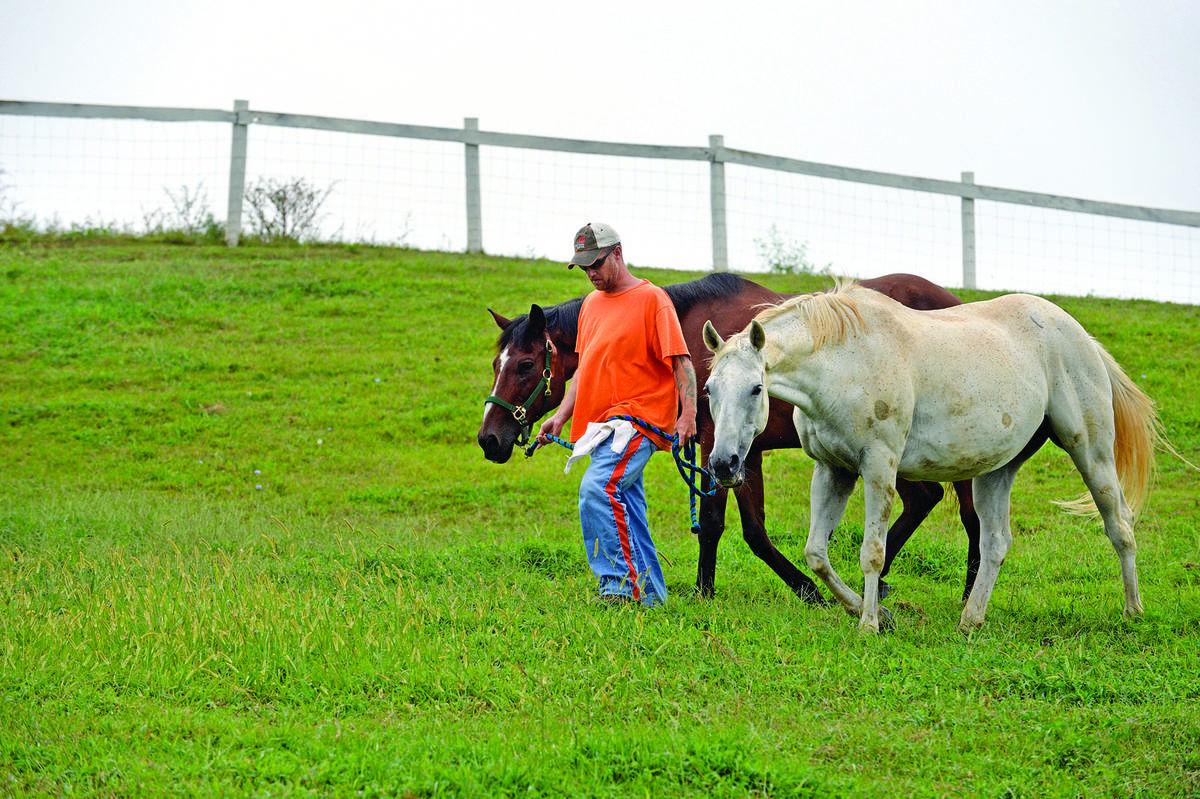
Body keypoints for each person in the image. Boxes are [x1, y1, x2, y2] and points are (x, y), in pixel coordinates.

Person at [537, 223, 698, 606]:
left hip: (637, 421)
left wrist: (687, 414)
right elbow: (584, 370)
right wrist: (560, 417)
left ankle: (619, 588)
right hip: (600, 427)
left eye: (596, 263)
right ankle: (652, 597)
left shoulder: (652, 300)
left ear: (618, 253)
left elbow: (682, 363)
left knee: (599, 489)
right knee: (626, 504)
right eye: (583, 267)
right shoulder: (591, 306)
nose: (591, 273)